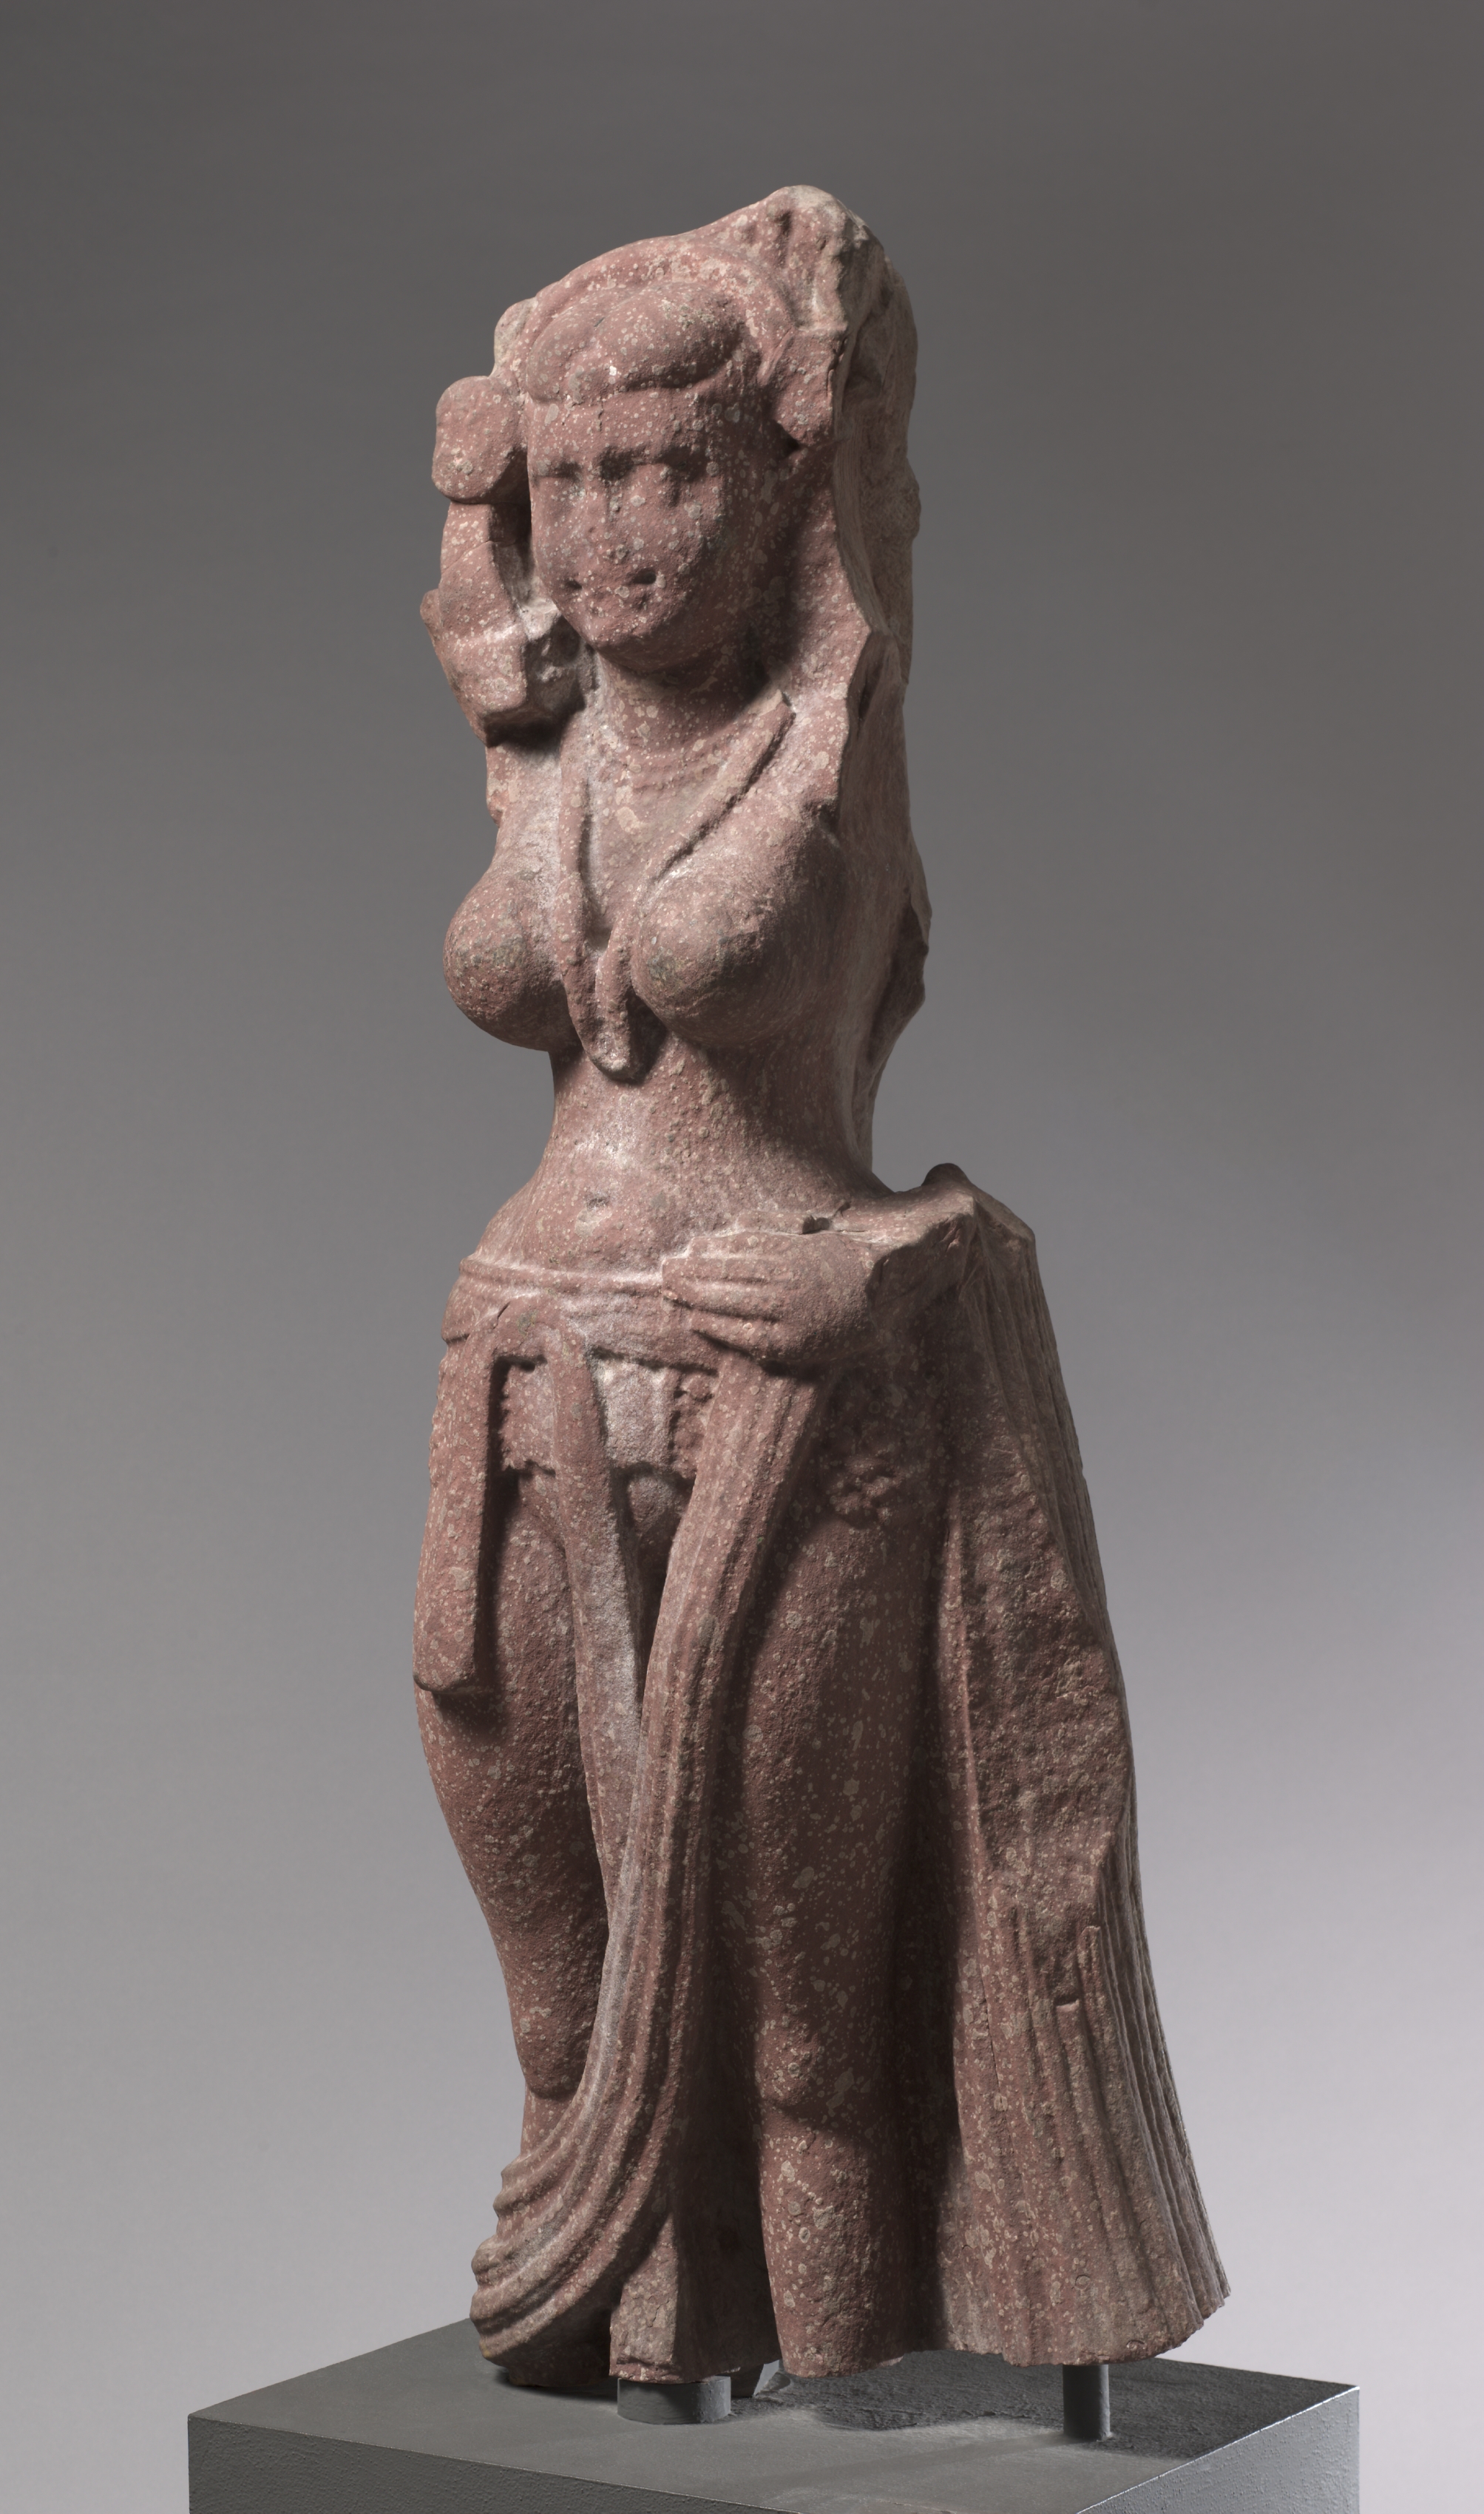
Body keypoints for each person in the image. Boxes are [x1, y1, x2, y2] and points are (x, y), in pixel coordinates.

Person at [414, 188, 1225, 2403]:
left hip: (779, 1408)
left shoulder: (840, 738)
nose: (618, 532)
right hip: (517, 1390)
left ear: (776, 487)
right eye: (578, 480)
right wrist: (475, 549)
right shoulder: (549, 752)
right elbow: (499, 672)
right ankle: (617, 2352)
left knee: (803, 2031)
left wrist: (876, 1274)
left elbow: (910, 1186)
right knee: (564, 1999)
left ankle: (847, 2403)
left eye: (671, 471)